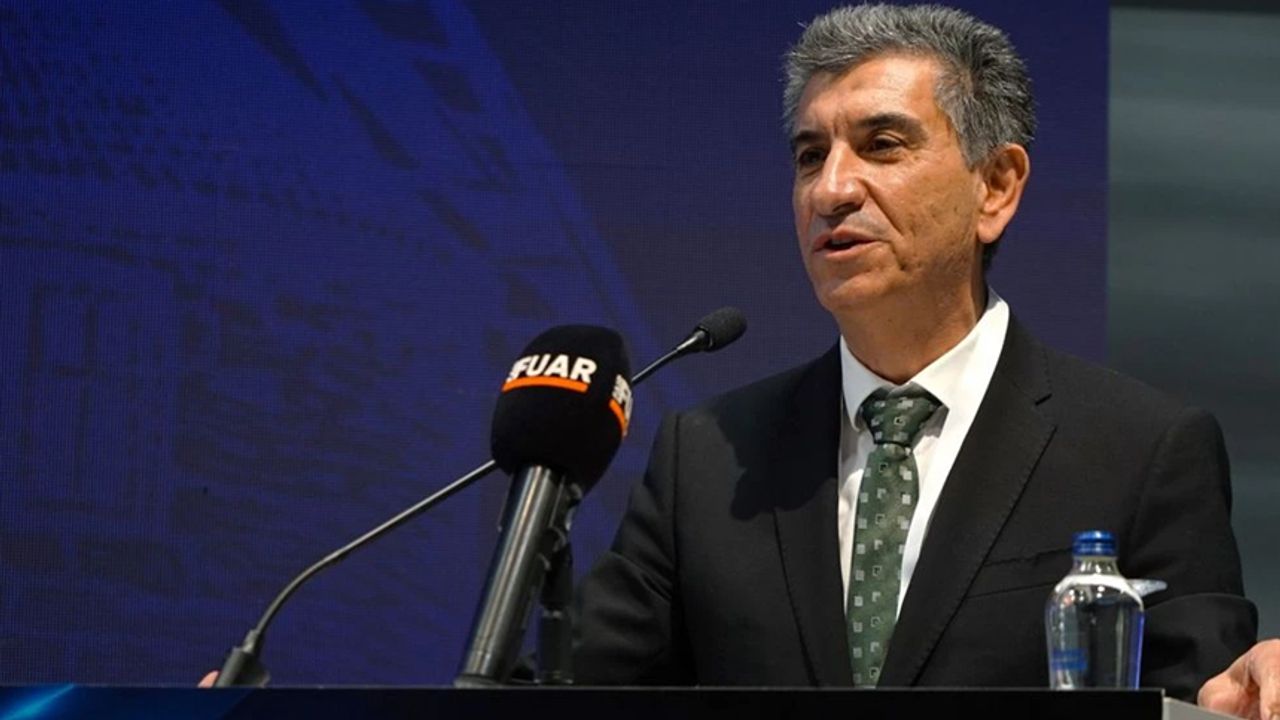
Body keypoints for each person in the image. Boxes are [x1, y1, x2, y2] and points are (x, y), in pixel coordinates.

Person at [570, 3, 1273, 714]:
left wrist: (1242, 689)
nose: (831, 189)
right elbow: (576, 694)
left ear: (995, 187)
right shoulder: (707, 459)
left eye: (880, 145)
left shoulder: (1141, 451)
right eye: (810, 156)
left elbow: (1202, 698)